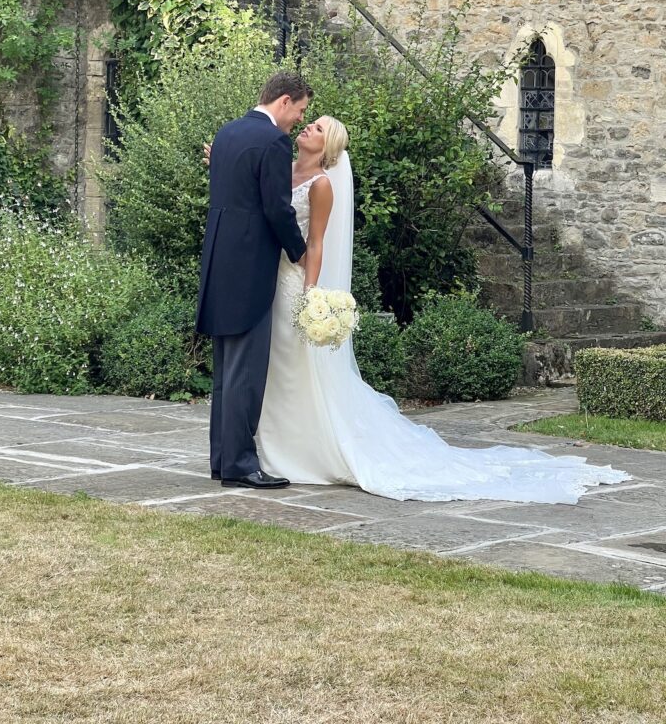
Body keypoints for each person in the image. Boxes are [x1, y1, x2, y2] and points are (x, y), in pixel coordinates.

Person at [255, 115, 631, 504]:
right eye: (310, 124)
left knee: (296, 363)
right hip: (270, 276)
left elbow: (315, 243)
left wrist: (311, 292)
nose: (307, 129)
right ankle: (278, 445)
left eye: (317, 128)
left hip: (295, 282)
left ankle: (301, 452)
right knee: (276, 364)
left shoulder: (321, 186)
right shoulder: (283, 168)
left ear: (328, 146)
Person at [195, 72, 312, 490]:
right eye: (299, 111)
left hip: (220, 259)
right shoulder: (273, 142)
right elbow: (277, 209)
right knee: (246, 370)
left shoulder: (227, 133)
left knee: (227, 368)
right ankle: (242, 465)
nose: (298, 121)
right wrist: (300, 251)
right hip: (250, 266)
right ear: (283, 101)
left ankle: (223, 461)